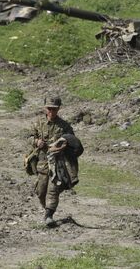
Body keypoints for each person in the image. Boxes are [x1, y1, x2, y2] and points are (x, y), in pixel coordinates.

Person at [28, 96, 81, 227]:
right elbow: (29, 137)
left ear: (58, 109)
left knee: (53, 189)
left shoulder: (65, 126)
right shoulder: (38, 123)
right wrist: (36, 141)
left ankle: (49, 215)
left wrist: (63, 146)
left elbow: (72, 141)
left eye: (54, 109)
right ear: (45, 109)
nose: (52, 112)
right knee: (41, 191)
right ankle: (46, 208)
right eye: (49, 109)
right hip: (42, 162)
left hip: (58, 163)